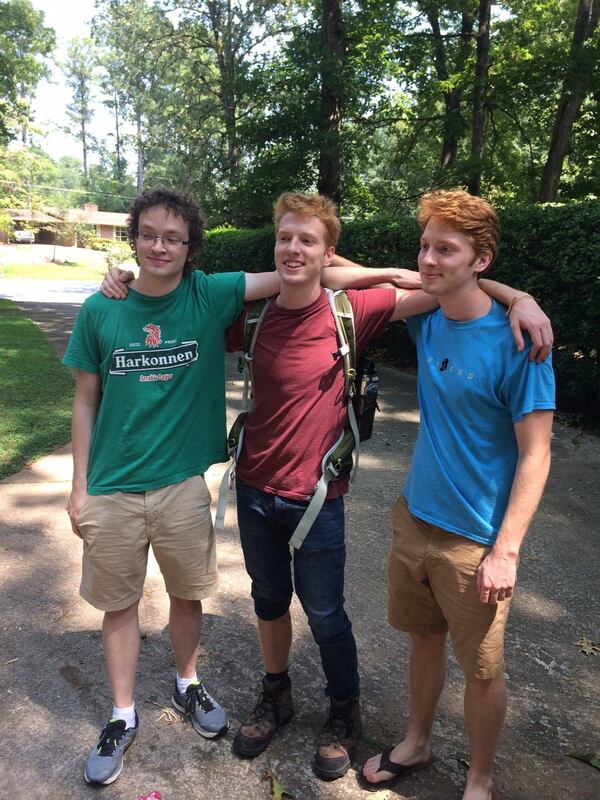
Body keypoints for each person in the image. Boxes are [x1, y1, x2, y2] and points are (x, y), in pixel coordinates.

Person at [100, 191, 552, 784]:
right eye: (285, 238)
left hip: (319, 498)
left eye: (308, 241)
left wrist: (520, 297)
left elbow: (447, 284)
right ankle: (277, 695)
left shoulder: (354, 310)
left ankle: (344, 712)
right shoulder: (251, 316)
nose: (294, 249)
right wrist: (125, 277)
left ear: (329, 252)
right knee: (268, 601)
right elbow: (174, 296)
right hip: (256, 488)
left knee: (325, 612)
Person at [67, 186, 422, 786]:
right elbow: (87, 395)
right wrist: (78, 487)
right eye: (148, 235)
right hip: (192, 487)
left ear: (192, 247)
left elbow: (344, 276)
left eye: (173, 238)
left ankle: (312, 706)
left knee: (300, 609)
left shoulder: (249, 299)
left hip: (258, 491)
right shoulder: (137, 308)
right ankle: (158, 710)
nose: (159, 246)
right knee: (238, 602)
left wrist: (508, 296)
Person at [358, 189, 555, 800]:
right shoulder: (429, 314)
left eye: (446, 249)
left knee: (482, 669)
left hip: (477, 541)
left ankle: (479, 780)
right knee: (422, 640)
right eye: (424, 245)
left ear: (481, 260)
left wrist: (507, 551)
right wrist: (517, 292)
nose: (428, 259)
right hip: (415, 518)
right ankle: (417, 743)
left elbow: (536, 454)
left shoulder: (521, 344)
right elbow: (333, 275)